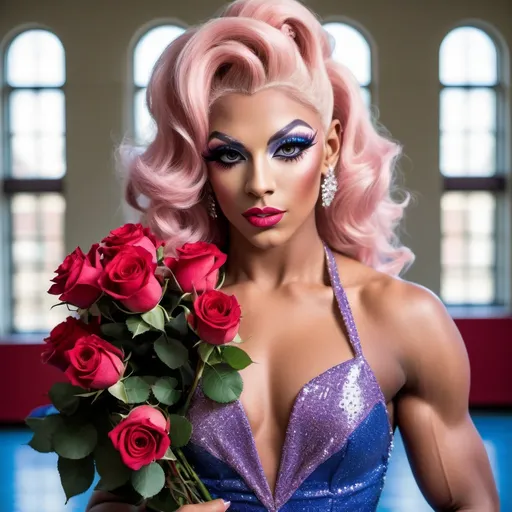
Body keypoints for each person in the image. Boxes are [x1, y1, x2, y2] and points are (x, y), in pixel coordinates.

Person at [87, 0, 499, 510]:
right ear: (204, 166)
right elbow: (110, 502)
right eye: (230, 154)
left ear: (329, 148)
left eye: (289, 149)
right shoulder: (161, 323)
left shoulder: (404, 318)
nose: (260, 184)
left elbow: (474, 502)